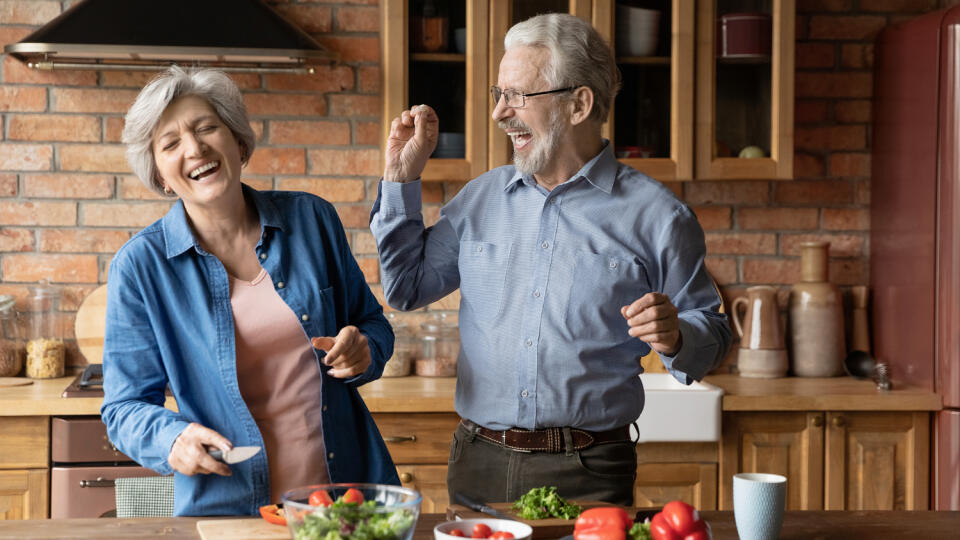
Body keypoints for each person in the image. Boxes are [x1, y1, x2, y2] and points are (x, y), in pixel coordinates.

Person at [371, 13, 731, 505]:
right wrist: (399, 179)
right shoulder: (479, 200)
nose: (499, 113)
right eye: (498, 94)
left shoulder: (659, 216)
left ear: (579, 104)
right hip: (478, 462)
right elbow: (404, 288)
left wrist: (676, 334)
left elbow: (711, 338)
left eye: (518, 96)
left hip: (591, 471)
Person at [101, 66, 398, 517]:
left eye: (206, 128)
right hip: (229, 510)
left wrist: (364, 349)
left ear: (238, 142)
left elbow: (373, 325)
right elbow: (123, 408)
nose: (195, 148)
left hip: (344, 501)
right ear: (160, 175)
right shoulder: (141, 267)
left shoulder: (312, 221)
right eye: (171, 143)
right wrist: (172, 439)